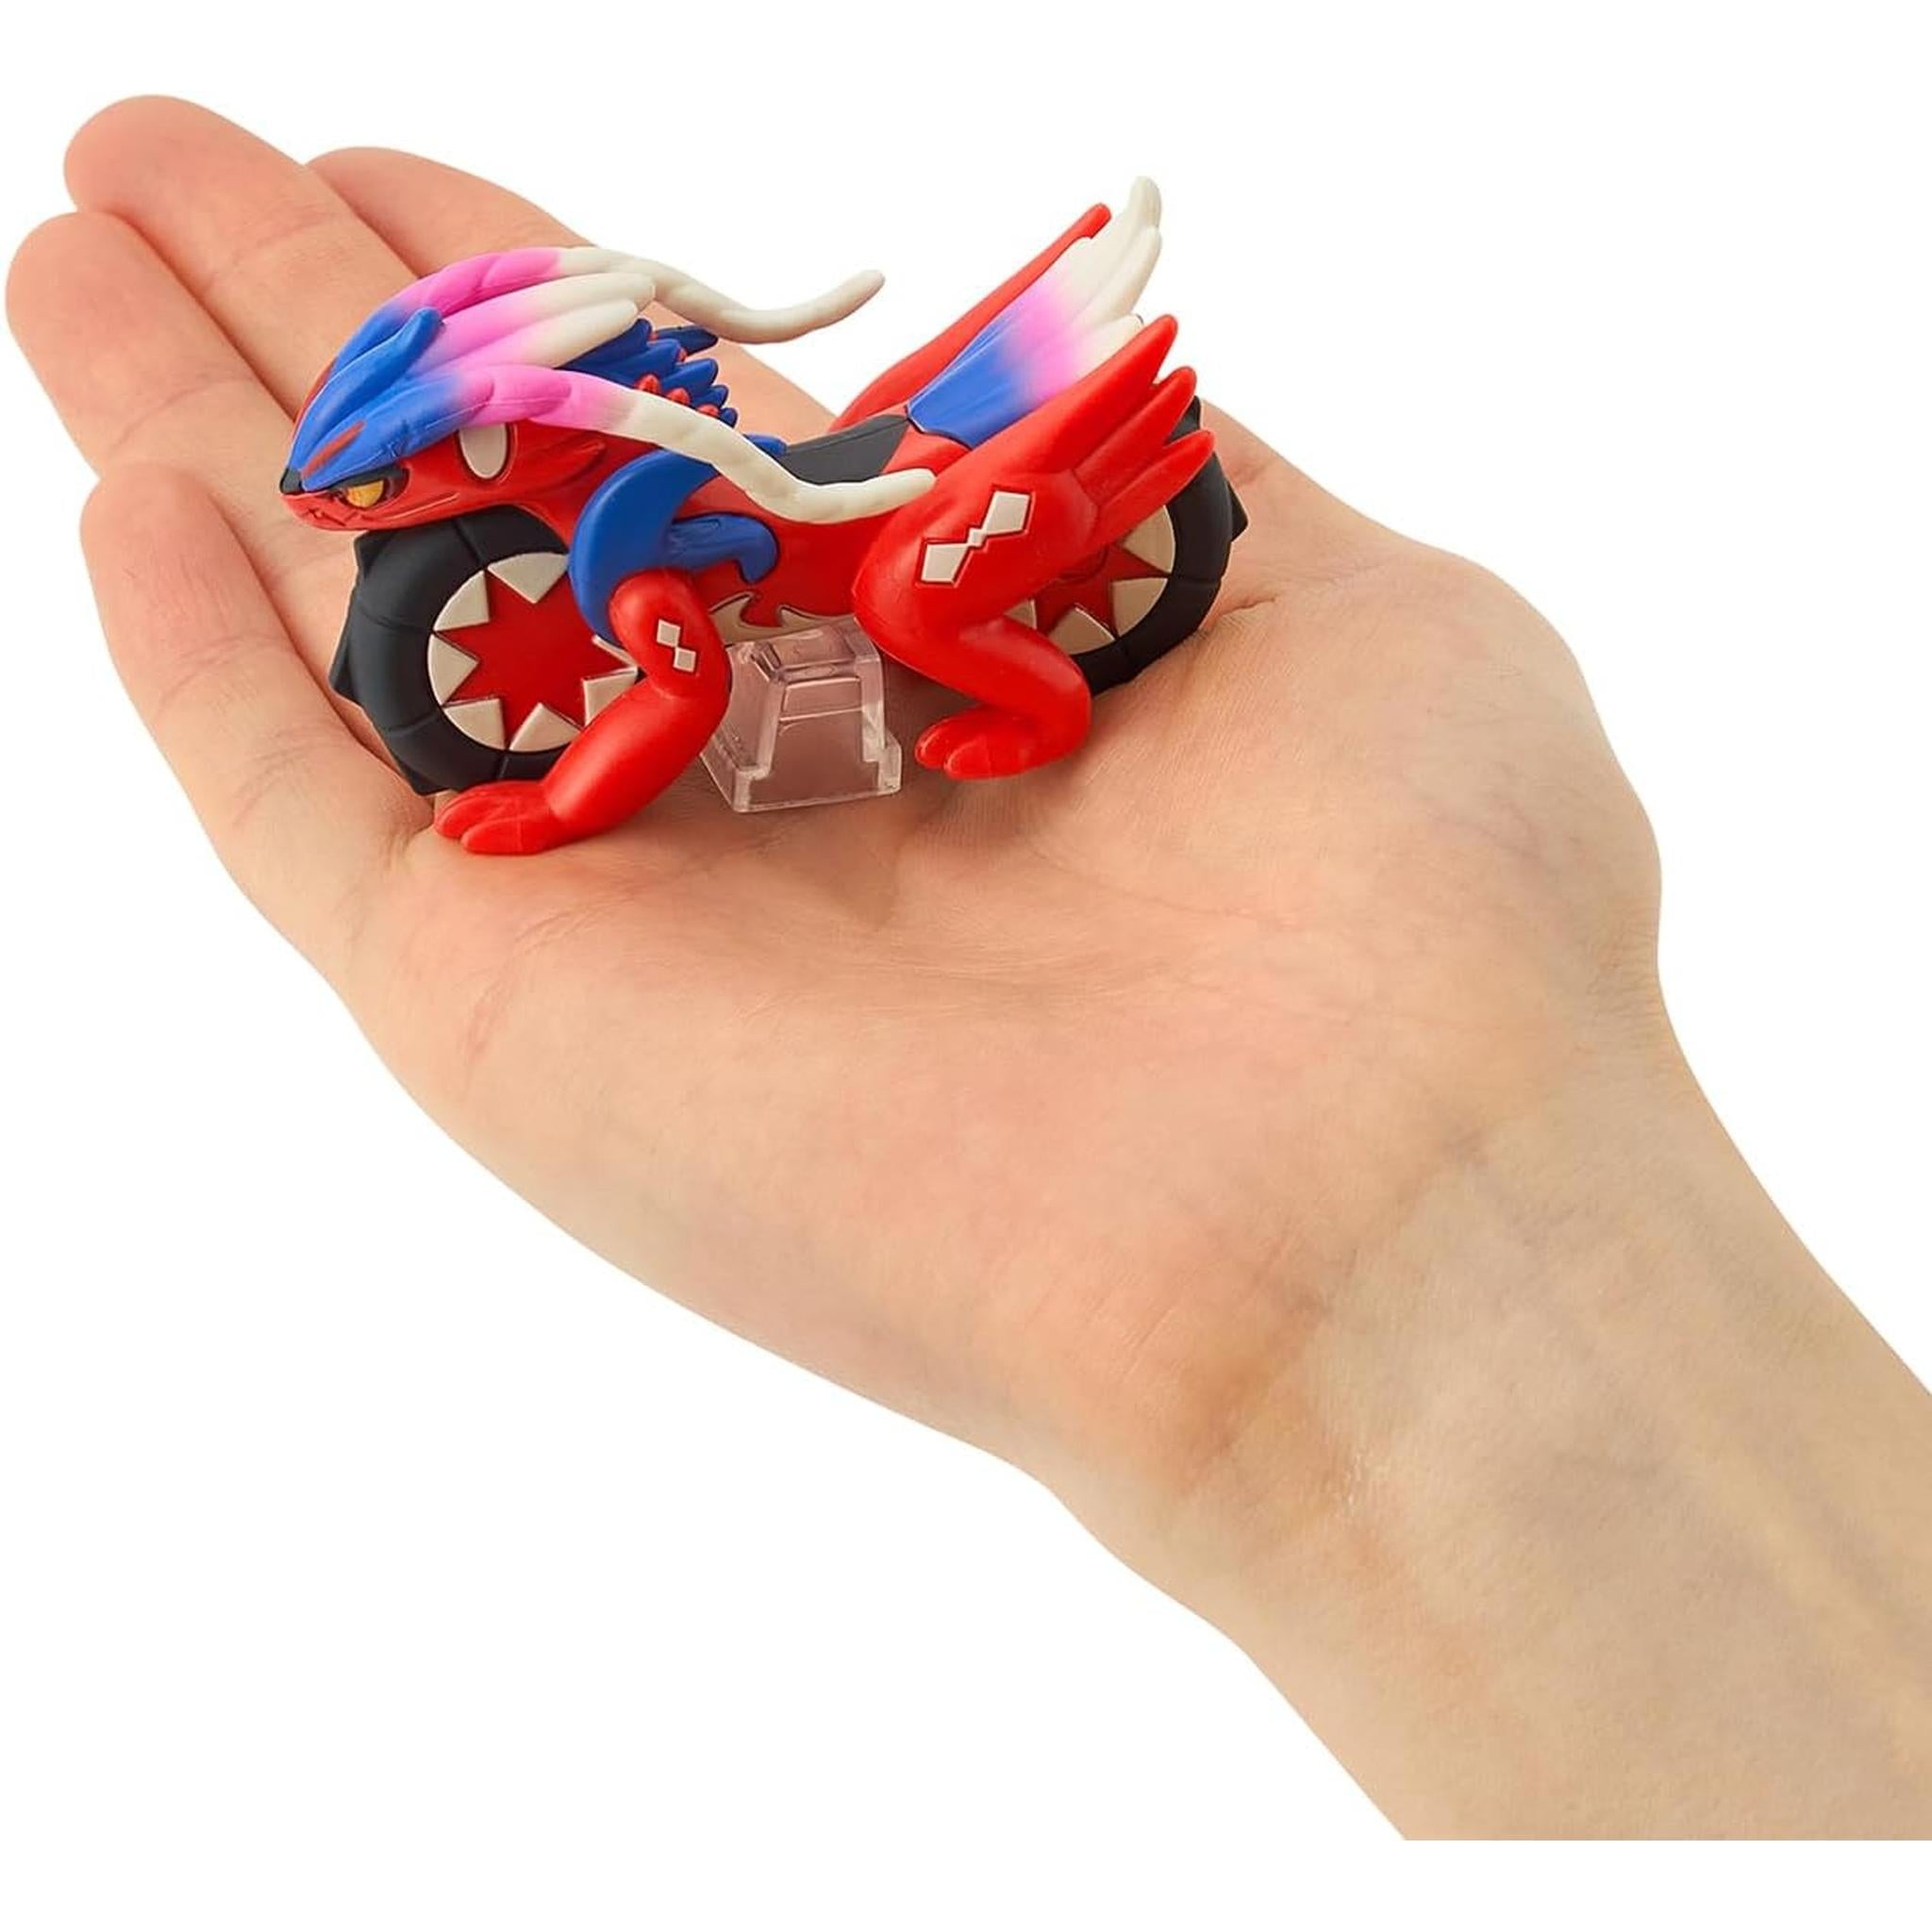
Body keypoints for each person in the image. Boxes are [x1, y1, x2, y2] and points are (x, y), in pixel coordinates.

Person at [9, 97, 1928, 1840]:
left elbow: (671, 697)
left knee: (910, 596)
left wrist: (556, 798)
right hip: (834, 483)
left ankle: (1027, 701)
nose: (361, 509)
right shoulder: (610, 507)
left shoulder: (653, 533)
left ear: (527, 447)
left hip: (905, 540)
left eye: (412, 475)